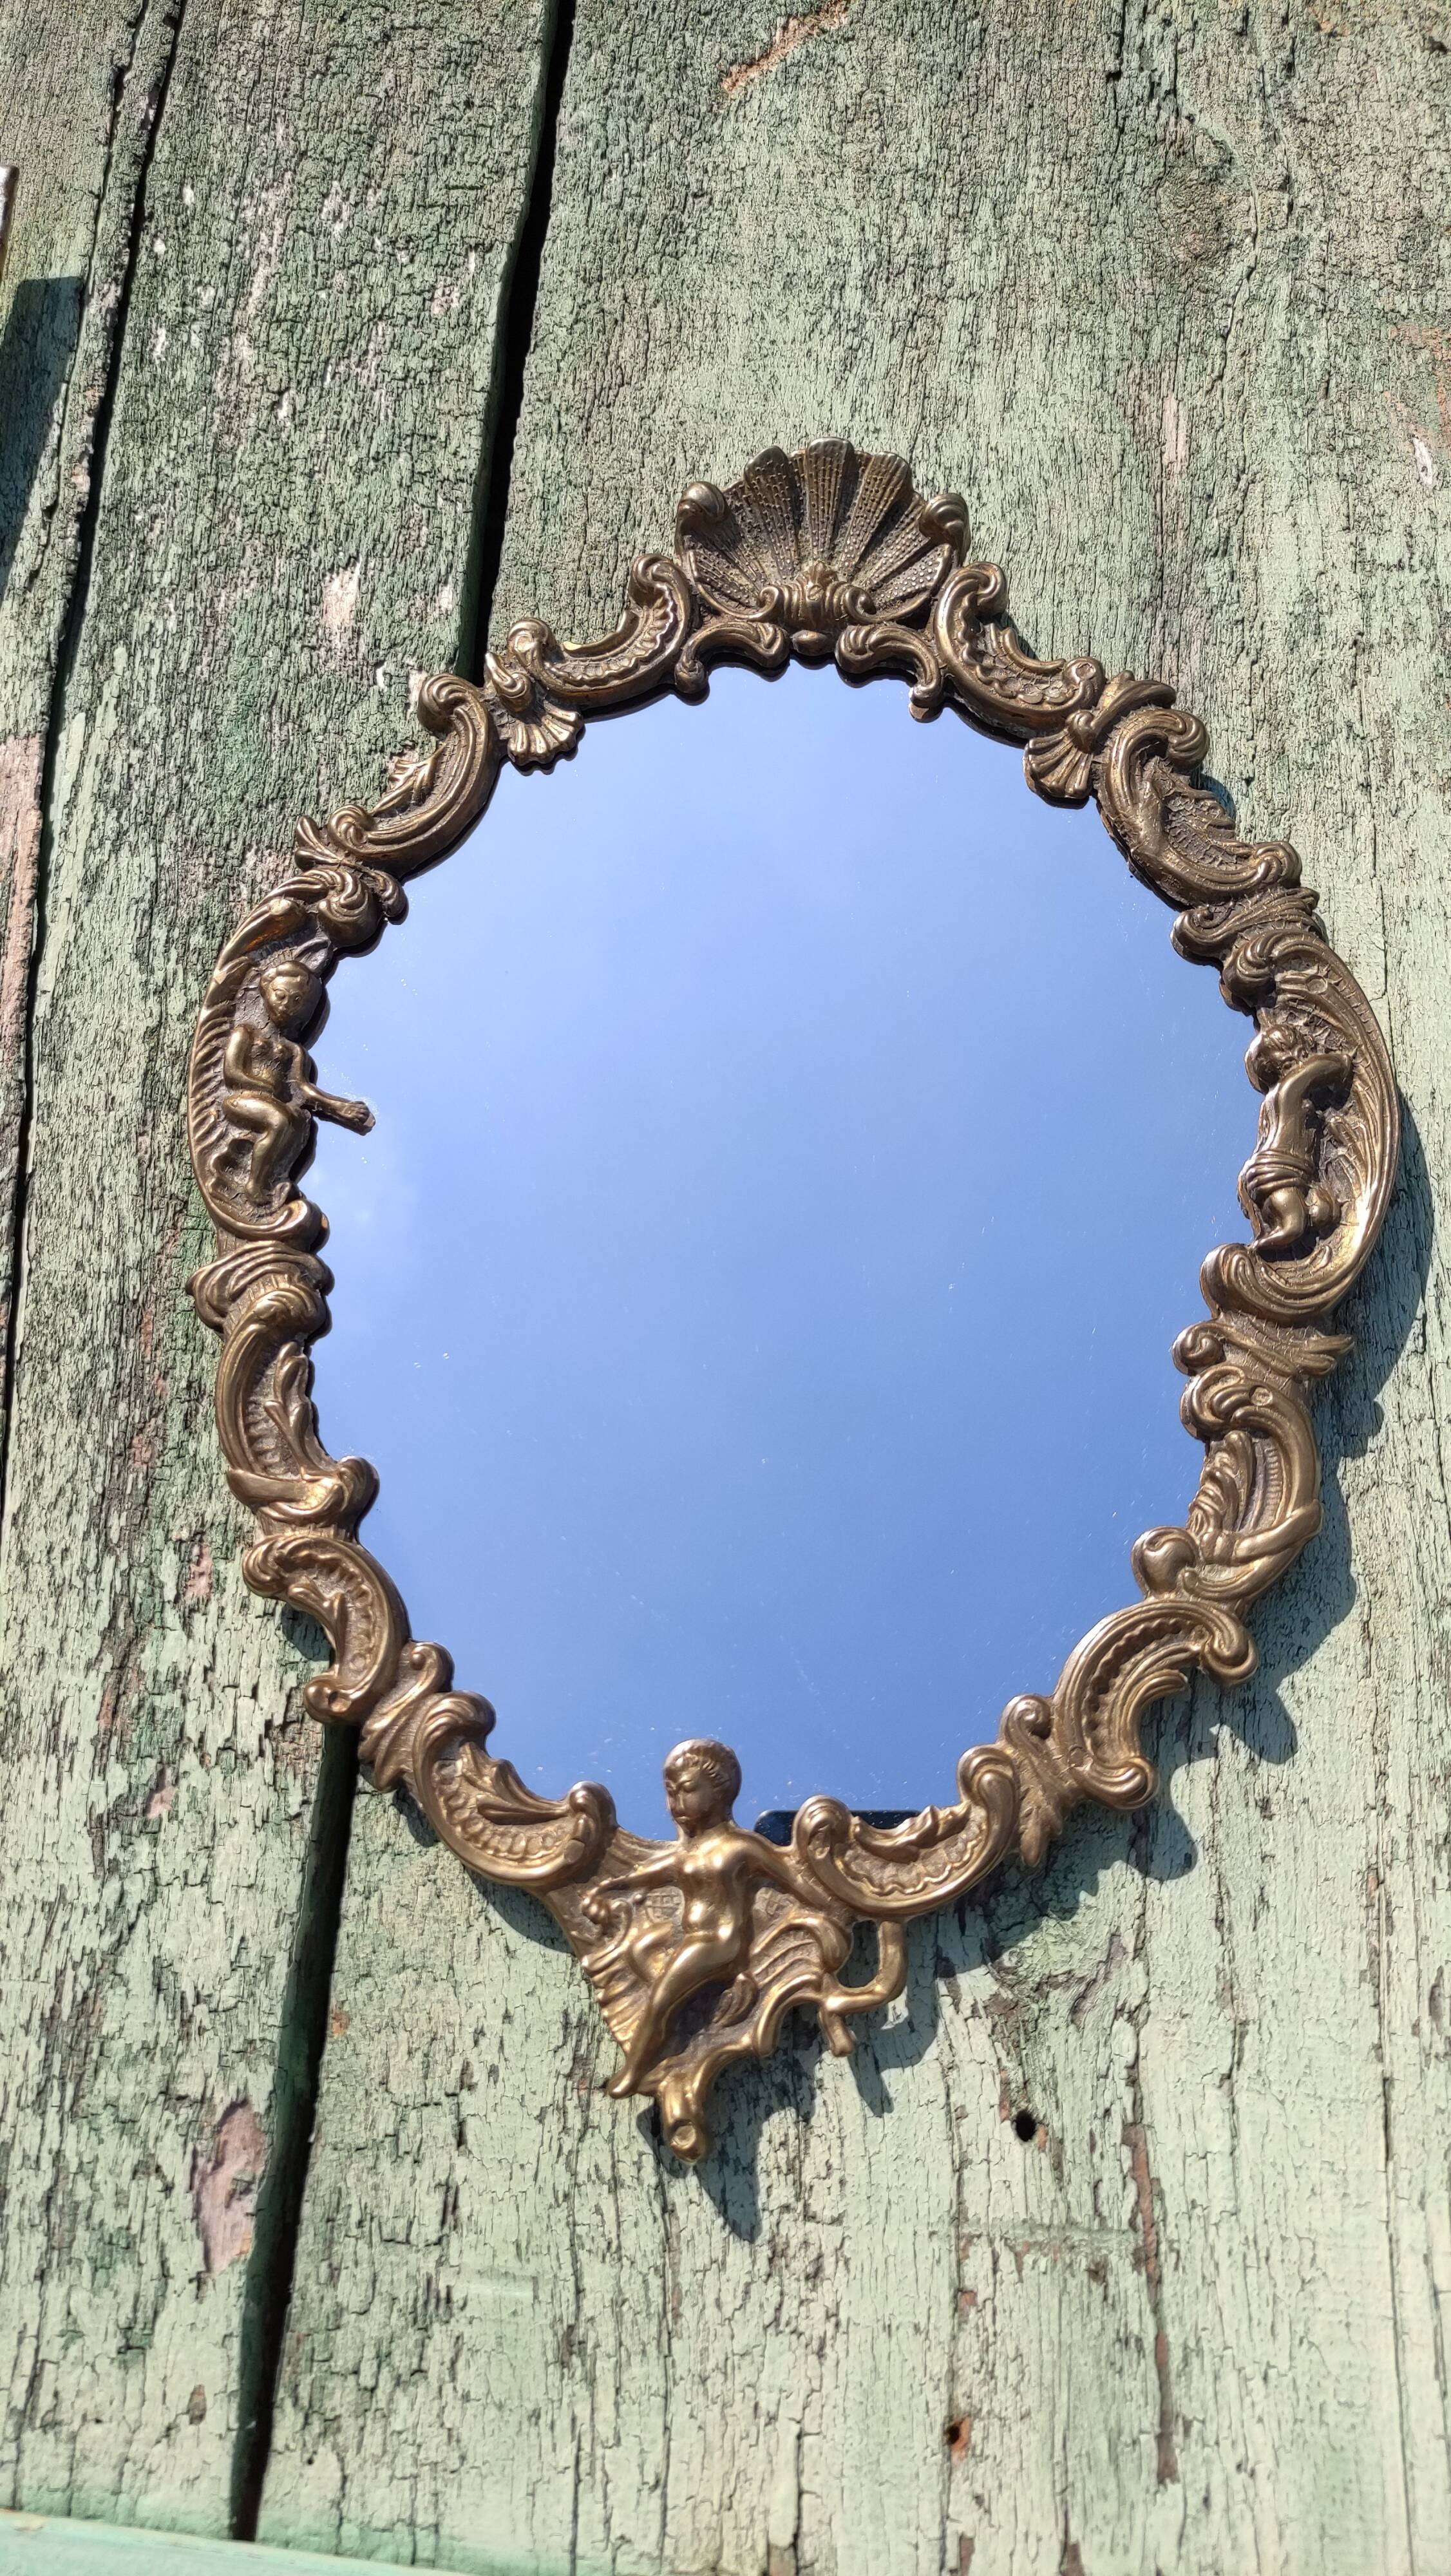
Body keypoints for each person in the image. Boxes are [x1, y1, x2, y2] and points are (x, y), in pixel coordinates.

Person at [582, 1736, 840, 2096]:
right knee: (642, 1950)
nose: (676, 1803)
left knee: (659, 2001)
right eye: (671, 1793)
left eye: (687, 1790)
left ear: (719, 1791)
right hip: (690, 1939)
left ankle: (635, 2072)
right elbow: (645, 1874)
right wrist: (609, 1888)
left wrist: (830, 1905)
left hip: (719, 1943)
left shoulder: (742, 1847)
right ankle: (700, 2011)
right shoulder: (687, 1852)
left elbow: (795, 1881)